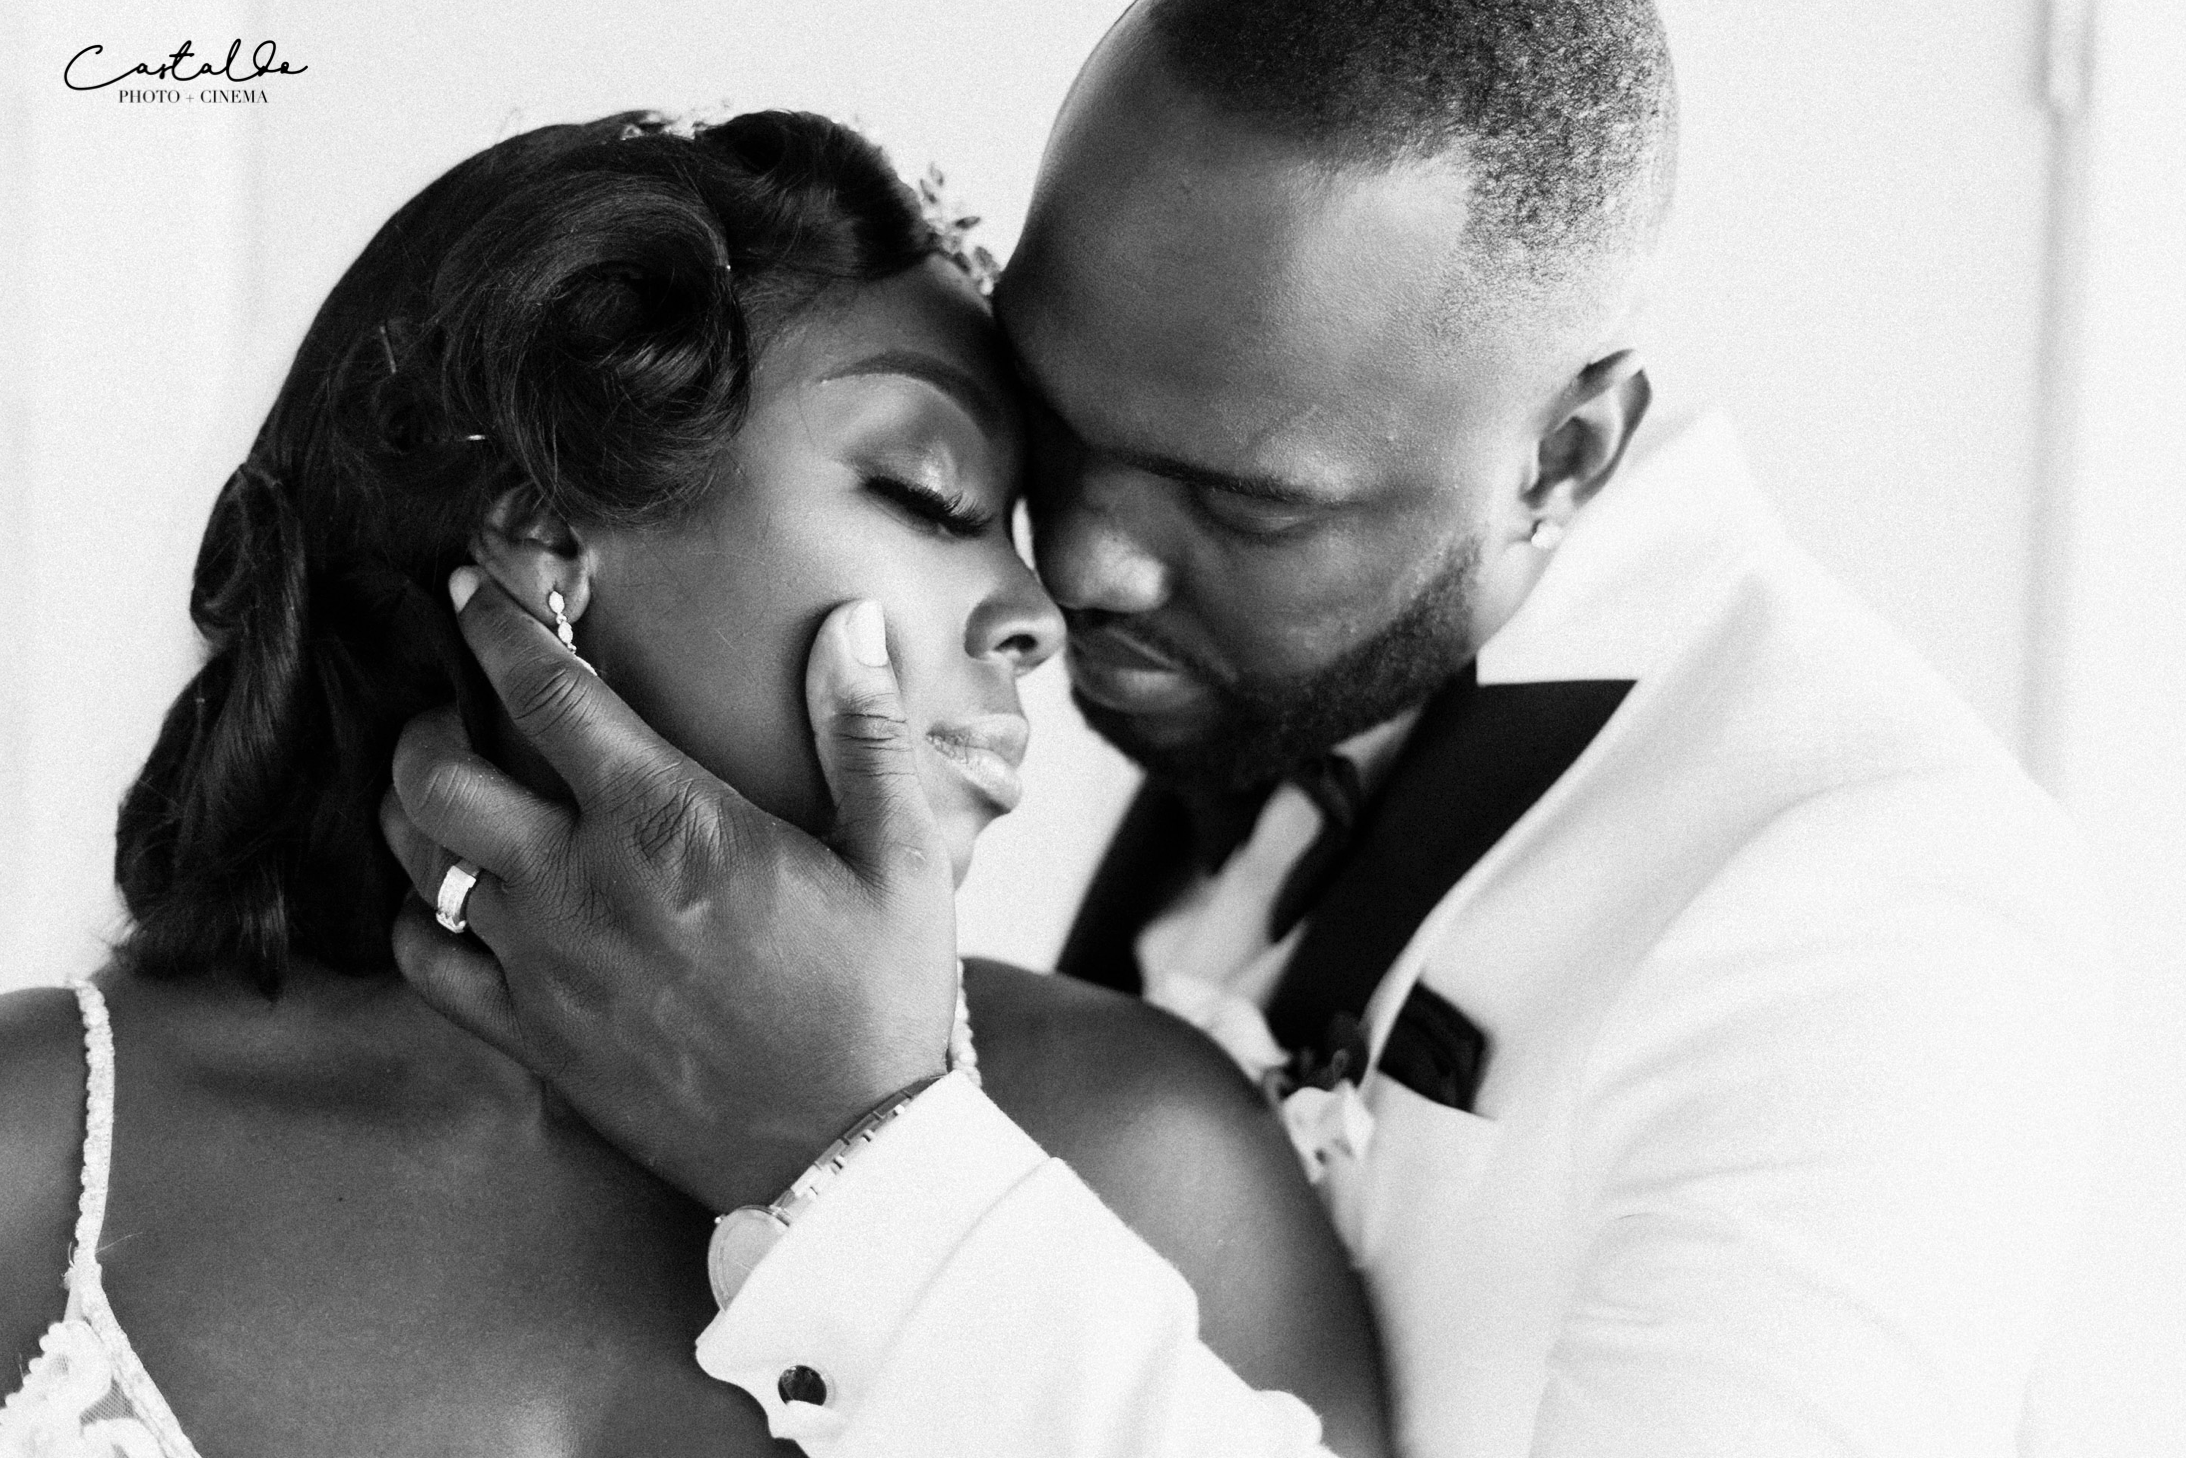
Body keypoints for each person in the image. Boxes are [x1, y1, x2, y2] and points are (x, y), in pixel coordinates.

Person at [380, 1, 2110, 1455]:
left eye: (1244, 503)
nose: (1087, 569)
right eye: (1054, 427)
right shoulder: (1249, 703)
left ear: (1560, 459)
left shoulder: (1877, 903)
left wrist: (865, 1164)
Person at [0, 109, 1390, 1458]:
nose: (1036, 606)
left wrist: (884, 1156)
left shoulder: (1145, 1152)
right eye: (933, 495)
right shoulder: (39, 1150)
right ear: (549, 539)